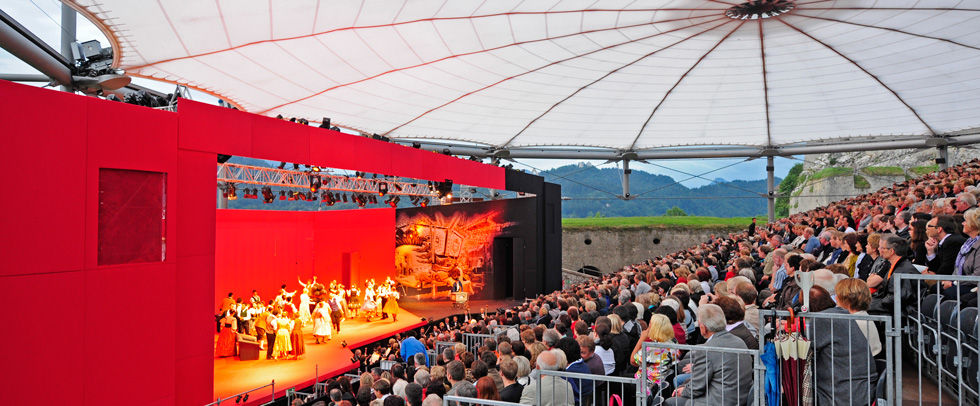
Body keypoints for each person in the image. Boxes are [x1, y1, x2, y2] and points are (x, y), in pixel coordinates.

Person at [666, 304, 752, 406]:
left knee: (670, 402)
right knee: (681, 383)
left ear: (703, 327)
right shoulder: (739, 341)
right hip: (738, 397)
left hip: (720, 400)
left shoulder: (707, 350)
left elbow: (697, 388)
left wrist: (684, 391)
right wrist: (686, 387)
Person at [809, 286, 878, 406]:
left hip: (843, 396)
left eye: (837, 295)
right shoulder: (843, 316)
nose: (835, 298)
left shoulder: (825, 319)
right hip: (860, 392)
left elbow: (808, 357)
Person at [629, 314, 680, 396]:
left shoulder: (653, 349)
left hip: (647, 384)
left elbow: (632, 361)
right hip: (660, 379)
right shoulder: (674, 342)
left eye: (650, 323)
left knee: (615, 383)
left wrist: (642, 339)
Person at [835, 278, 882, 357]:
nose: (835, 298)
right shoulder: (862, 316)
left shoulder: (853, 322)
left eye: (837, 295)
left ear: (846, 298)